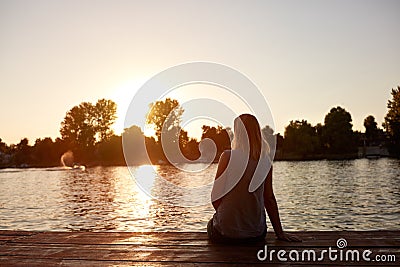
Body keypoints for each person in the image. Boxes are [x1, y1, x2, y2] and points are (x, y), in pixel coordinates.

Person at [207, 114, 301, 243]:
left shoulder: (227, 157)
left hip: (225, 233)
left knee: (210, 224)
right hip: (256, 234)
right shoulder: (266, 162)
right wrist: (280, 233)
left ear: (238, 133)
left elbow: (215, 198)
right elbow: (269, 200)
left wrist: (231, 218)